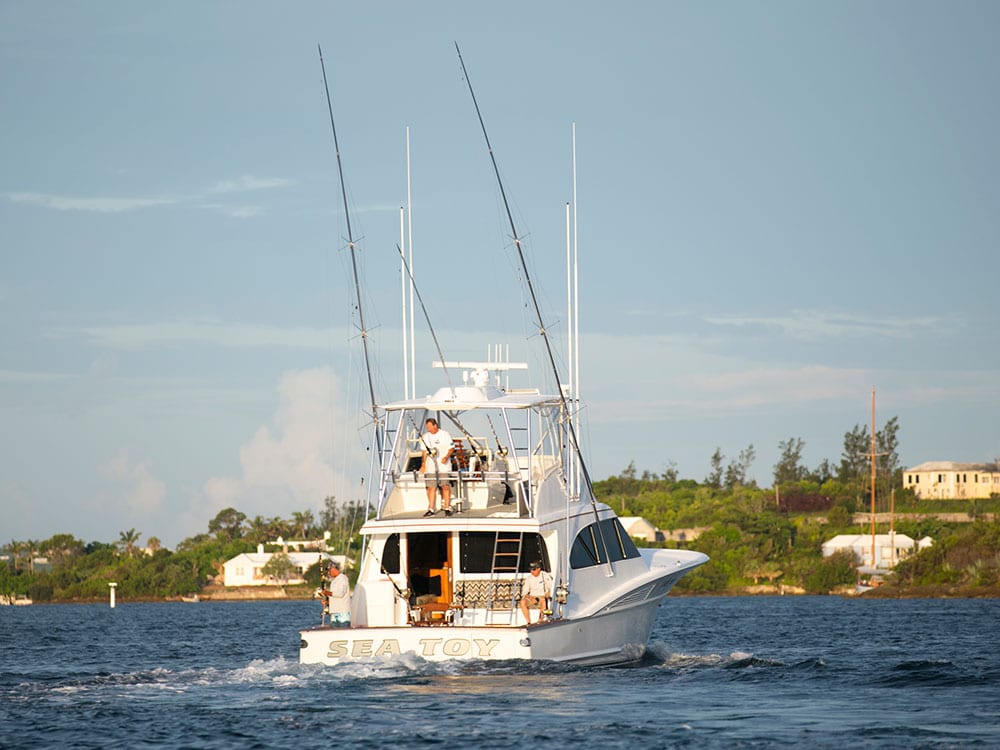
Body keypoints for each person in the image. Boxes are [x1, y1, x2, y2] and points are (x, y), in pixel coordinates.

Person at [421, 417, 453, 516]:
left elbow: (451, 448)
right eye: (427, 427)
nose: (428, 429)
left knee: (445, 486)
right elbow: (424, 452)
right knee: (431, 487)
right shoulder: (425, 437)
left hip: (443, 466)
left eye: (430, 427)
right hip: (430, 467)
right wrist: (423, 464)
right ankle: (431, 509)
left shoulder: (445, 434)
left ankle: (447, 507)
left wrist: (446, 457)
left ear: (435, 425)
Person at [519, 560, 553, 625]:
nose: (532, 571)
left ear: (539, 569)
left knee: (543, 601)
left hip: (542, 597)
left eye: (534, 569)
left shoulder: (545, 576)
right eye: (531, 570)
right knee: (522, 602)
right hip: (532, 597)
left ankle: (540, 621)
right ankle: (528, 622)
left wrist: (548, 594)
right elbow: (524, 592)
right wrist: (529, 597)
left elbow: (551, 587)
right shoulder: (529, 578)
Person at [319, 560, 351, 626]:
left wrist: (326, 592)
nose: (328, 573)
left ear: (333, 569)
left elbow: (340, 594)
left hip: (342, 613)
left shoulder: (343, 578)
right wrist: (327, 602)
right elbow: (334, 597)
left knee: (343, 633)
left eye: (329, 571)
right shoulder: (334, 581)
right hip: (334, 612)